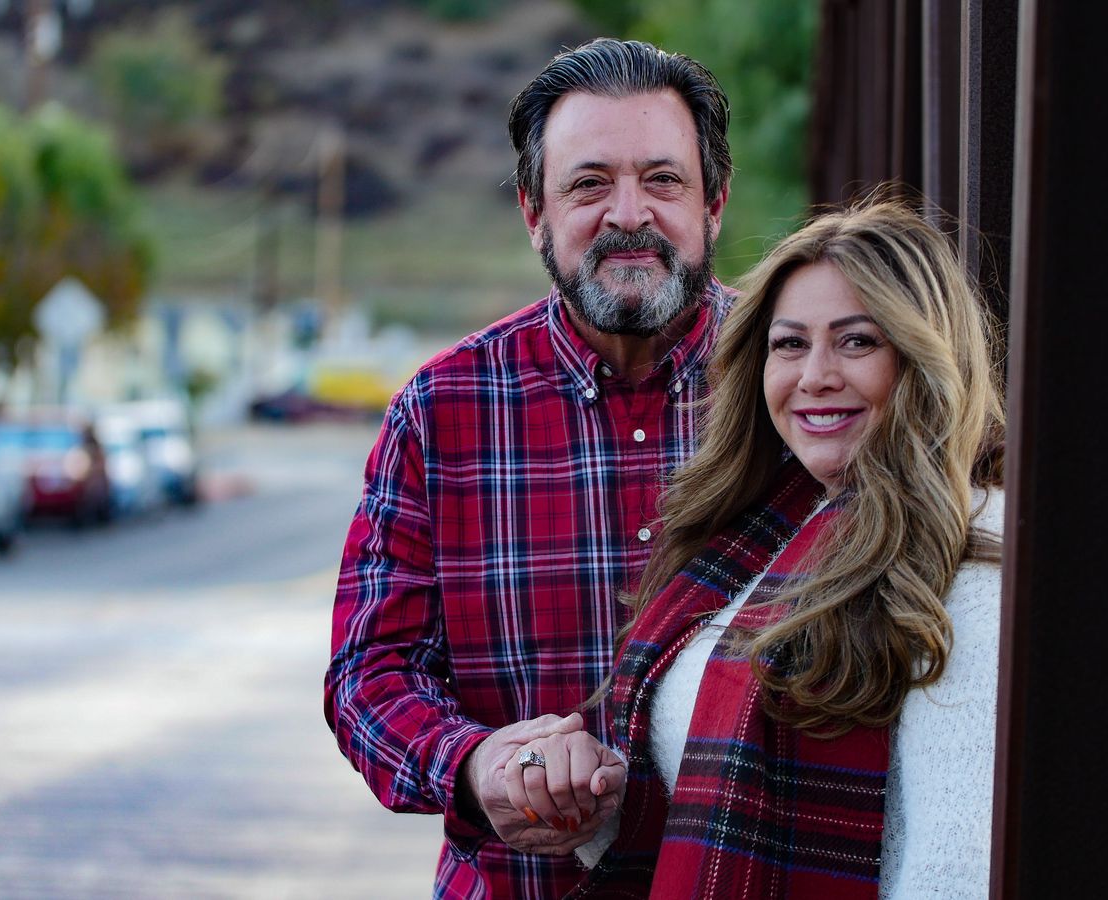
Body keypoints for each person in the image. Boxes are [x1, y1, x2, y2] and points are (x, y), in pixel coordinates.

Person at [324, 39, 733, 897]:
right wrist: (478, 764)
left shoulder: (798, 389)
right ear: (533, 213)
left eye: (663, 180)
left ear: (715, 204)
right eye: (589, 184)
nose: (628, 214)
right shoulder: (441, 411)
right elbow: (369, 675)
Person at [505, 201, 1006, 898]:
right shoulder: (769, 531)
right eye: (790, 344)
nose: (815, 376)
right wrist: (592, 798)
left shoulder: (974, 563)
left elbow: (955, 871)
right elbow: (712, 807)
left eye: (858, 342)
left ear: (926, 357)